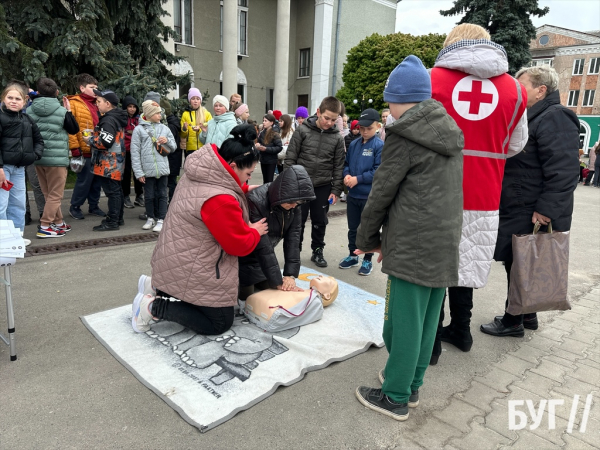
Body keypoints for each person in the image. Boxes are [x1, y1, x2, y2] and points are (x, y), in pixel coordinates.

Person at [353, 55, 464, 421]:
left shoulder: (404, 134)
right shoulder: (446, 129)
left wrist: (367, 238)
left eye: (389, 100)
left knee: (401, 322)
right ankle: (411, 386)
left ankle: (395, 396)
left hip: (412, 241)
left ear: (401, 98)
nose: (388, 108)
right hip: (443, 240)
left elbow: (381, 192)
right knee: (426, 319)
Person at [429, 24, 529, 360]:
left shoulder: (431, 80)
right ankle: (461, 331)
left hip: (434, 191)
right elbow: (516, 145)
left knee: (432, 268)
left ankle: (429, 343)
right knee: (465, 265)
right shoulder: (515, 89)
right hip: (484, 194)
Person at [131, 125, 269, 335]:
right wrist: (254, 231)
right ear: (232, 166)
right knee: (220, 321)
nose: (249, 179)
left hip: (173, 257)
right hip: (193, 264)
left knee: (197, 295)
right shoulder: (220, 200)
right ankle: (152, 308)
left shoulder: (201, 171)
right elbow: (238, 245)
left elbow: (220, 183)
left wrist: (246, 189)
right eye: (248, 174)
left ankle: (156, 286)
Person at [480, 64, 580, 337]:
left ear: (541, 90)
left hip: (532, 208)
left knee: (521, 262)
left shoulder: (555, 116)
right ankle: (528, 314)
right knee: (522, 261)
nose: (516, 92)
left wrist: (545, 210)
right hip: (521, 204)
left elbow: (564, 171)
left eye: (521, 87)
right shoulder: (532, 115)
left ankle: (513, 321)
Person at [284, 96, 345, 268]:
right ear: (318, 112)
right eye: (326, 118)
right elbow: (290, 158)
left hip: (323, 186)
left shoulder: (337, 138)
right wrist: (289, 184)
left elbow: (338, 166)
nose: (329, 123)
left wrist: (336, 190)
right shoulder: (302, 131)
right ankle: (295, 251)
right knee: (298, 220)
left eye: (334, 120)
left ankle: (317, 250)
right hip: (301, 185)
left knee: (320, 221)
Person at [239, 165, 316, 300]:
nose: (294, 205)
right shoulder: (255, 201)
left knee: (278, 291)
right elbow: (263, 247)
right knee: (247, 298)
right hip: (242, 258)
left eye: (298, 203)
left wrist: (290, 275)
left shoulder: (294, 203)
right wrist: (276, 280)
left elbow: (293, 240)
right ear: (281, 195)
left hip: (262, 261)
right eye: (291, 202)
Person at [26, 78, 80, 238]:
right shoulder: (61, 111)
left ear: (38, 92)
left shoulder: (29, 111)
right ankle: (45, 225)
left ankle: (58, 222)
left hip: (38, 158)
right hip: (56, 160)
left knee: (48, 193)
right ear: (56, 93)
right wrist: (68, 110)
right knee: (56, 194)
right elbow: (74, 129)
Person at [339, 108, 383, 276]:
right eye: (362, 128)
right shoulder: (355, 143)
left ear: (377, 126)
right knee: (353, 228)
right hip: (353, 194)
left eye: (368, 128)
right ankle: (353, 255)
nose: (364, 131)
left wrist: (358, 179)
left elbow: (378, 170)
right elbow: (347, 163)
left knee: (368, 229)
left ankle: (367, 259)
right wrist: (347, 175)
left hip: (368, 195)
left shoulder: (379, 145)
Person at [0, 83, 44, 236]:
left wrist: (34, 155)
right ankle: (3, 238)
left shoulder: (27, 119)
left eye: (17, 98)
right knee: (1, 205)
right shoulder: (1, 117)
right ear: (3, 98)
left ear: (24, 101)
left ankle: (16, 237)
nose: (13, 101)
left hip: (19, 170)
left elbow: (39, 140)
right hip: (3, 169)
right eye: (9, 97)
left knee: (18, 205)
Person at [131, 100, 176, 233]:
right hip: (147, 170)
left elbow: (173, 147)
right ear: (149, 114)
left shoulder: (164, 128)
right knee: (149, 196)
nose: (160, 115)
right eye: (157, 113)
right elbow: (135, 152)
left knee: (162, 194)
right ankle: (150, 218)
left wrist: (167, 141)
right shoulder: (138, 130)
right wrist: (139, 173)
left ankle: (161, 219)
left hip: (162, 169)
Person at [86, 89, 127, 231]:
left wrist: (90, 139)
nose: (97, 104)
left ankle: (112, 221)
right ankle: (117, 218)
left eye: (99, 101)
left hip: (108, 164)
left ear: (107, 103)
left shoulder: (108, 119)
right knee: (116, 191)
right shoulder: (116, 117)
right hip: (116, 162)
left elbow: (105, 142)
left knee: (112, 192)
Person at [68, 74, 105, 221]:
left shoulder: (99, 103)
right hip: (84, 149)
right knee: (84, 181)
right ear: (82, 88)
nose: (95, 90)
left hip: (98, 148)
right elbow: (70, 128)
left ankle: (94, 206)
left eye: (96, 87)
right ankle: (75, 206)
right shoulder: (74, 103)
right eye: (91, 87)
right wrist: (75, 148)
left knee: (96, 181)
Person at [121, 95, 144, 209]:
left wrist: (132, 132)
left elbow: (141, 133)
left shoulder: (138, 119)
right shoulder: (122, 118)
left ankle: (139, 195)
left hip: (136, 150)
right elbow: (122, 133)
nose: (132, 109)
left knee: (138, 173)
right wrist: (129, 132)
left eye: (134, 107)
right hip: (125, 150)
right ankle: (125, 196)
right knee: (126, 173)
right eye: (129, 106)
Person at [161, 98, 183, 202]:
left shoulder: (169, 125)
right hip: (174, 159)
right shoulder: (173, 122)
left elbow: (169, 144)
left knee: (170, 183)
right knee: (171, 182)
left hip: (171, 159)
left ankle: (172, 203)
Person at [180, 88, 212, 159]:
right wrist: (184, 129)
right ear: (189, 101)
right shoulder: (185, 114)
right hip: (190, 148)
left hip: (203, 147)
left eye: (197, 99)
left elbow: (210, 127)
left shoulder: (206, 114)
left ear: (200, 101)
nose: (195, 101)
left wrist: (200, 129)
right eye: (193, 98)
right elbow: (183, 135)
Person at [256, 113, 283, 183]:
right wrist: (258, 145)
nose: (263, 122)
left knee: (269, 180)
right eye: (263, 120)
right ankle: (265, 193)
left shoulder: (275, 134)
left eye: (266, 121)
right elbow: (260, 143)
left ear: (271, 122)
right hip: (263, 159)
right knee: (265, 180)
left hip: (271, 160)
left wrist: (266, 149)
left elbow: (279, 147)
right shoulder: (262, 133)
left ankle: (269, 193)